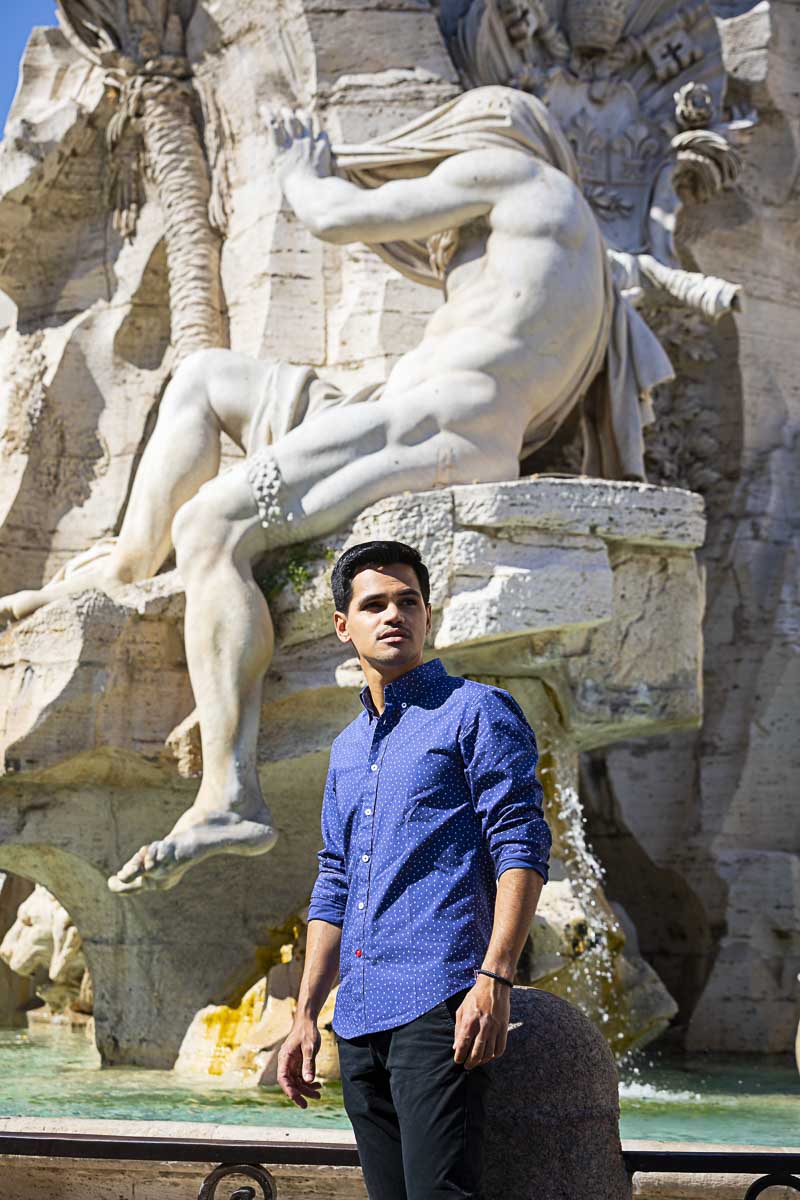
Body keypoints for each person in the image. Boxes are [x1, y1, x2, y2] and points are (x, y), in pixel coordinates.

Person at [0, 86, 657, 894]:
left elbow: (335, 215)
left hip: (433, 427)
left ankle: (228, 794)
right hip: (401, 413)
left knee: (213, 523)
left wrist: (303, 170)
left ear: (489, 134)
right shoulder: (574, 256)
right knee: (206, 376)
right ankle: (130, 562)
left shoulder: (518, 175)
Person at [277, 539, 551, 1200]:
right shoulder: (345, 750)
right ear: (344, 626)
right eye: (374, 604)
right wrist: (305, 1014)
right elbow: (335, 881)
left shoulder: (477, 711)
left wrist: (494, 977)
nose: (393, 614)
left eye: (408, 601)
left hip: (440, 999)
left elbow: (522, 843)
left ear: (428, 616)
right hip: (361, 1017)